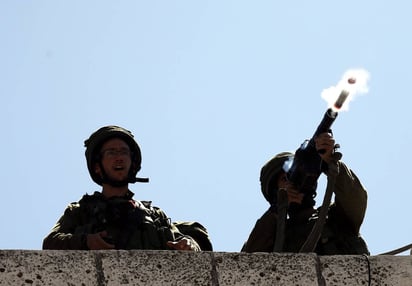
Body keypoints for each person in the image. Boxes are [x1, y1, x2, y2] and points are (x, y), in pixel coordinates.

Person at [43, 125, 211, 251]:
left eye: (124, 152)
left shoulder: (153, 214)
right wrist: (86, 241)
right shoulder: (80, 211)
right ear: (97, 167)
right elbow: (50, 242)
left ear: (132, 162)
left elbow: (181, 240)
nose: (119, 158)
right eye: (111, 153)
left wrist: (190, 244)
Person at [241, 132, 369, 254]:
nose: (294, 182)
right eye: (285, 179)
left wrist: (329, 162)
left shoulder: (334, 217)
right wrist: (276, 209)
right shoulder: (274, 236)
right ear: (275, 192)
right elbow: (246, 263)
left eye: (296, 175)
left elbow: (355, 199)